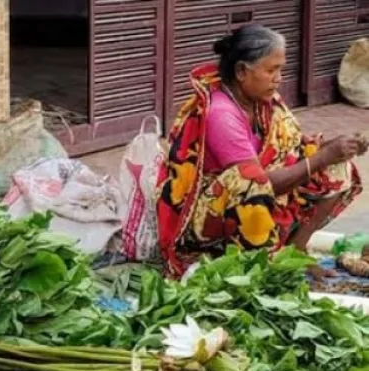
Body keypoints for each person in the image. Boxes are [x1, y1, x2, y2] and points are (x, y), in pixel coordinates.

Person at [157, 24, 366, 277]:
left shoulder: (264, 102)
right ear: (242, 71)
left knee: (336, 166)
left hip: (257, 195)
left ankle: (295, 250)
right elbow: (258, 182)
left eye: (280, 69)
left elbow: (294, 146)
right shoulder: (222, 115)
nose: (279, 78)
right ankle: (262, 266)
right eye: (271, 70)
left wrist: (338, 148)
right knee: (250, 178)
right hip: (210, 216)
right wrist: (323, 156)